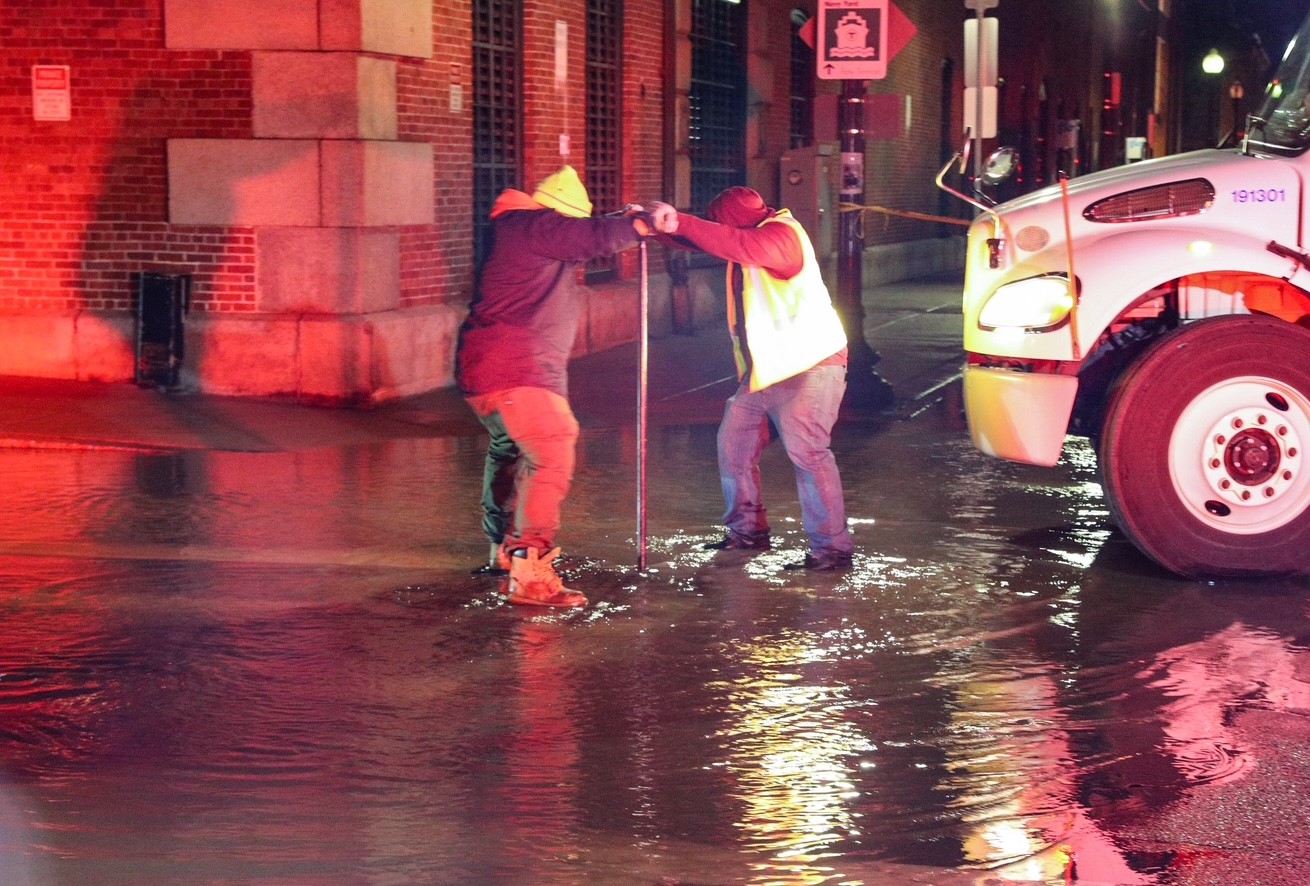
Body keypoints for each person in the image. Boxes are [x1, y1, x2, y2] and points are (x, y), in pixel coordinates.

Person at [455, 165, 672, 607]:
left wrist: (623, 219)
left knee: (510, 450)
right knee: (553, 445)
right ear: (559, 217)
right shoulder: (534, 226)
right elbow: (591, 237)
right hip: (517, 370)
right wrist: (640, 224)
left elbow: (585, 236)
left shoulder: (522, 231)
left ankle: (504, 552)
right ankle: (530, 569)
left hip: (492, 368)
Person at [656, 186, 855, 571]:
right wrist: (656, 228)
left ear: (736, 221)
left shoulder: (782, 236)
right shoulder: (751, 235)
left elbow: (732, 242)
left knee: (809, 455)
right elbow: (708, 240)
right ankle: (748, 532)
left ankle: (831, 550)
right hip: (770, 368)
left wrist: (679, 221)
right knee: (734, 446)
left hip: (810, 364)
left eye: (721, 222)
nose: (717, 229)